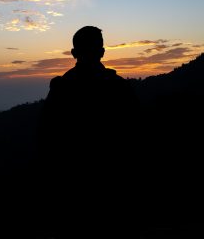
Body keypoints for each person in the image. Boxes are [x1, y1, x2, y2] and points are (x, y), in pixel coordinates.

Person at [38, 26, 140, 237]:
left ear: (74, 53)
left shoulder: (61, 89)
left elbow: (46, 139)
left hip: (70, 189)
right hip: (114, 188)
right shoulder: (119, 89)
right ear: (102, 52)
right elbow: (135, 137)